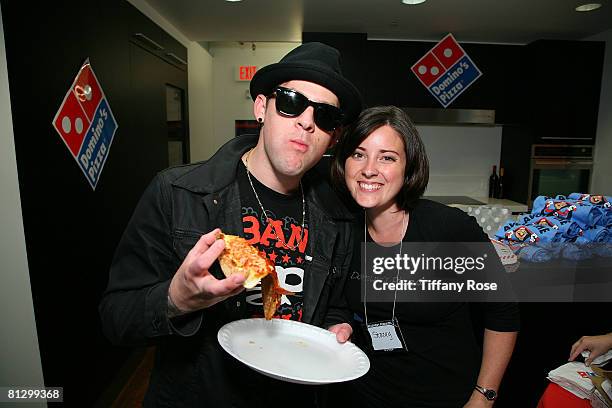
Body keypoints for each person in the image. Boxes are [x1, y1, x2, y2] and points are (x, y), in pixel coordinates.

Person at [99, 42, 361, 407]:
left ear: (332, 136)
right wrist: (176, 299)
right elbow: (115, 318)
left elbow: (332, 304)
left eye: (326, 116)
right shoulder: (178, 193)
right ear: (261, 108)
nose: (306, 121)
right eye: (291, 102)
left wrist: (336, 327)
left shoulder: (338, 216)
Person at [329, 106, 520, 408]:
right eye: (358, 154)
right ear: (344, 163)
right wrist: (340, 323)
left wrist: (484, 396)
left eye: (387, 157)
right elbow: (339, 302)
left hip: (445, 396)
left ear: (409, 167)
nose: (369, 168)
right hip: (367, 393)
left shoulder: (448, 229)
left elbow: (503, 313)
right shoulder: (342, 230)